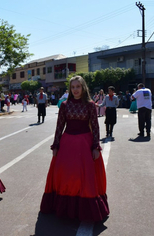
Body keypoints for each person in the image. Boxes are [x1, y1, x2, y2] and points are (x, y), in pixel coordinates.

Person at [40, 76, 109, 222]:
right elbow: (59, 126)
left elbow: (95, 127)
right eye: (73, 87)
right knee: (67, 177)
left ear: (83, 88)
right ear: (70, 89)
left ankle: (84, 209)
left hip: (85, 144)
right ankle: (65, 207)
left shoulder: (90, 105)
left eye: (78, 86)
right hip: (67, 145)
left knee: (84, 178)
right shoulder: (65, 105)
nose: (75, 89)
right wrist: (56, 145)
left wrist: (96, 146)